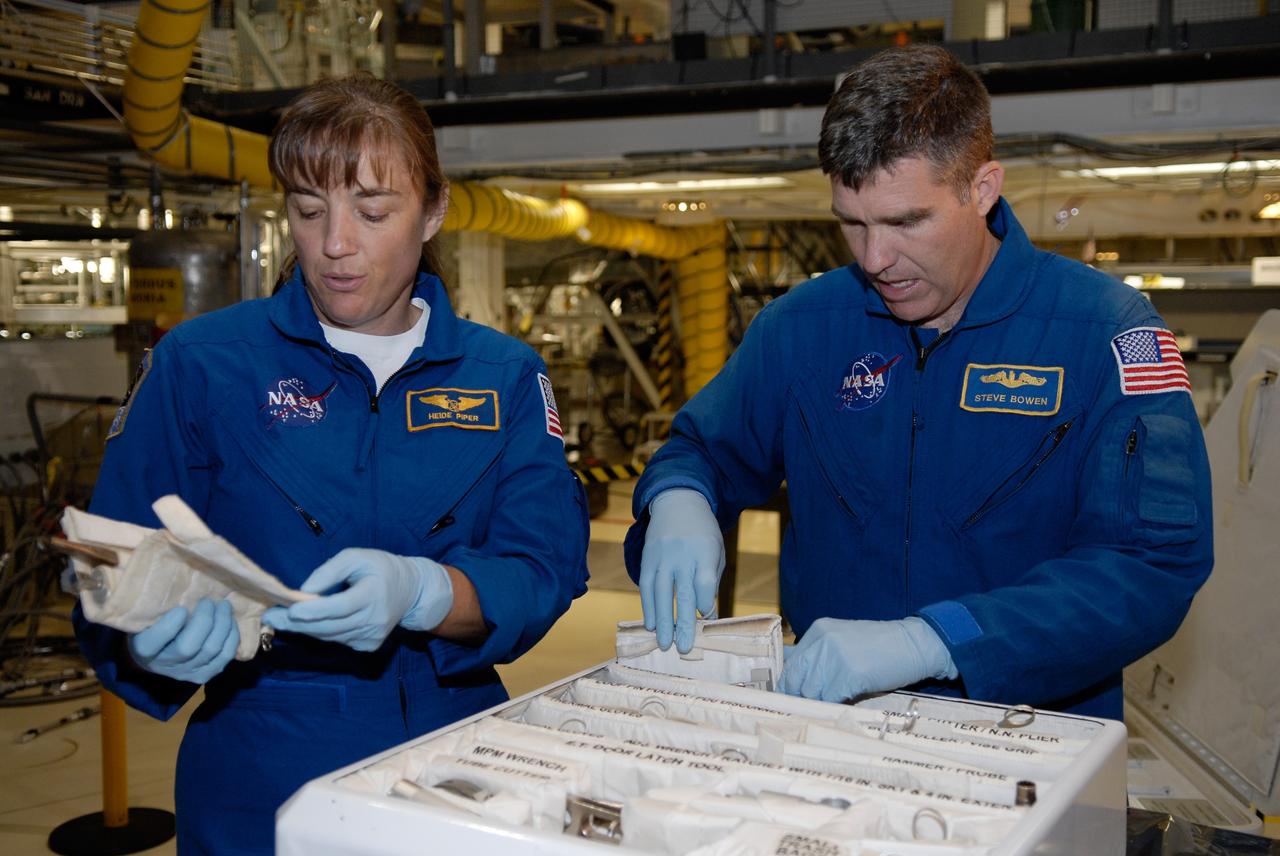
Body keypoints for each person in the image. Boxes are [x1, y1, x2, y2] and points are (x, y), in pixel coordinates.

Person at [73, 74, 590, 853]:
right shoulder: (204, 365)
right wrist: (143, 640)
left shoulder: (503, 376)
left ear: (434, 211)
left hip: (451, 754)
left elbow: (545, 563)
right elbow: (105, 558)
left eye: (373, 212)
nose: (335, 244)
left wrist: (427, 591)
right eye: (309, 212)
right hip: (260, 764)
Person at [624, 45, 1212, 720]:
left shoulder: (1103, 333)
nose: (876, 259)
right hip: (828, 728)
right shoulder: (804, 328)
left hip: (1026, 737)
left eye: (907, 222)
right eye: (853, 223)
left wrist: (937, 640)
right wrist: (678, 495)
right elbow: (703, 449)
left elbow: (1150, 566)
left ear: (981, 188)